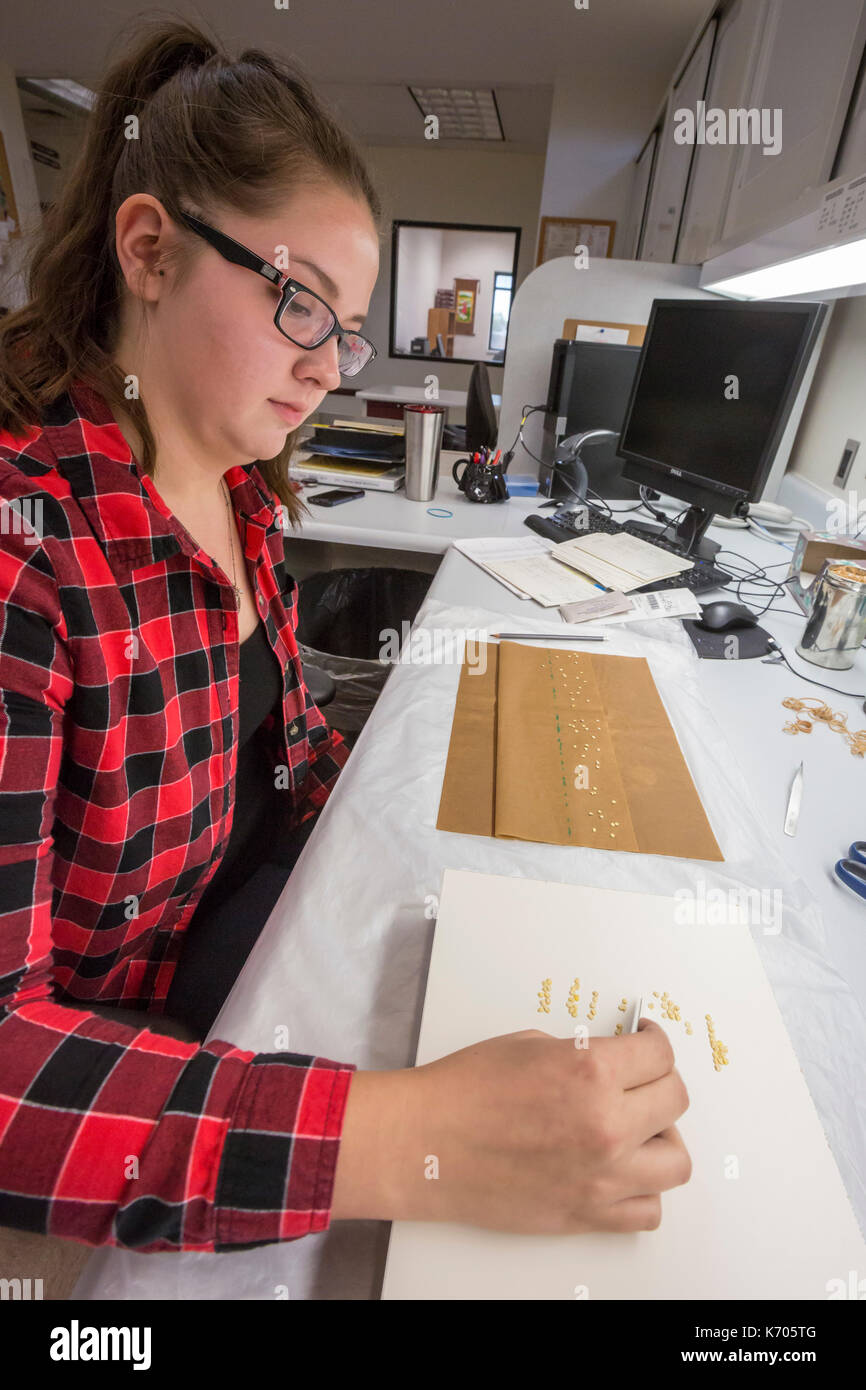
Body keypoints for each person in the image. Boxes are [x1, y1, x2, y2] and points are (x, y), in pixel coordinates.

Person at [0, 18, 691, 1286]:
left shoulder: (245, 498)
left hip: (258, 949)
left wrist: (440, 833)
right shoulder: (28, 556)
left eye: (347, 326)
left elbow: (284, 753)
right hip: (148, 1051)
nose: (326, 368)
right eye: (296, 301)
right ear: (148, 249)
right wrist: (421, 1141)